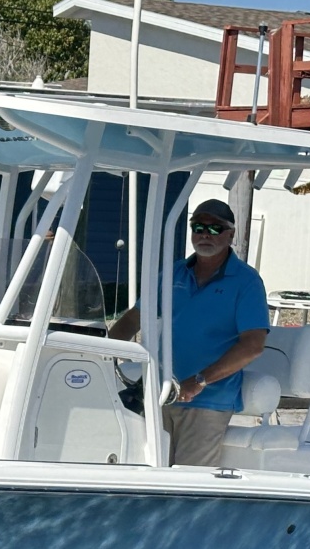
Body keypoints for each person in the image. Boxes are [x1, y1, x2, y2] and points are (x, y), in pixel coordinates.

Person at [107, 199, 269, 467]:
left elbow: (253, 345)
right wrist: (101, 353)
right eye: (198, 227)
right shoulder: (173, 273)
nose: (205, 234)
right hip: (160, 394)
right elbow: (136, 317)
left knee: (188, 480)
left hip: (208, 401)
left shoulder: (247, 281)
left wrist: (199, 381)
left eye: (215, 228)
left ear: (231, 235)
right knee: (146, 473)